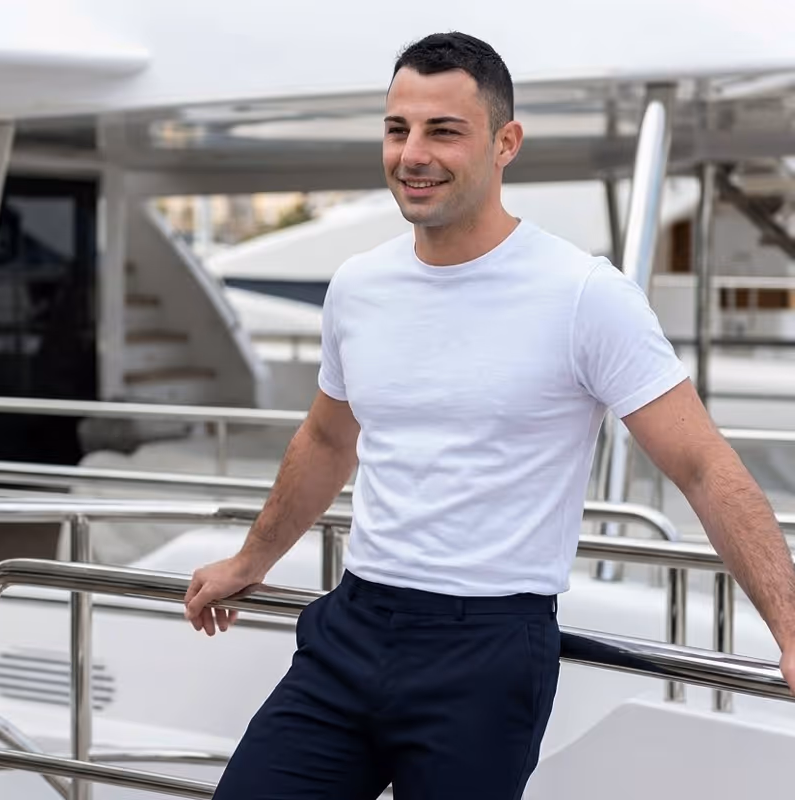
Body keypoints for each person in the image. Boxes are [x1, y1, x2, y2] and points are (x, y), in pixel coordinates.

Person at [184, 31, 795, 799]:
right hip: (353, 625)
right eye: (397, 128)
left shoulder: (583, 294)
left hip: (489, 650)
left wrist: (789, 625)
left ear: (506, 143)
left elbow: (704, 466)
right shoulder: (359, 285)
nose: (413, 153)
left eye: (444, 130)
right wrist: (252, 561)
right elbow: (329, 437)